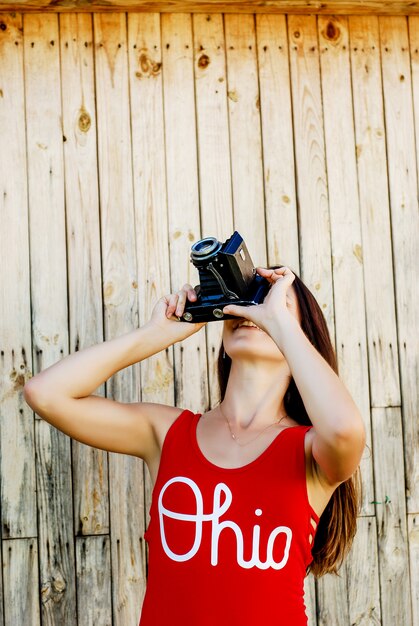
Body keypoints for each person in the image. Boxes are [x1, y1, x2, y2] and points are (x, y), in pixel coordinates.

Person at [23, 265, 366, 625]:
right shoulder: (167, 432)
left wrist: (278, 323)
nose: (253, 309)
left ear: (300, 337)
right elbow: (44, 393)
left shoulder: (312, 451)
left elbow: (345, 430)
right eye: (244, 299)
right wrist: (154, 335)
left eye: (272, 302)